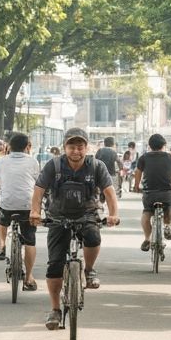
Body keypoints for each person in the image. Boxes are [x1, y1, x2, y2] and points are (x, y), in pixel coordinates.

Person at [30, 127, 120, 329]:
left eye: (80, 147)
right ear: (65, 147)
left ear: (87, 148)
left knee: (93, 237)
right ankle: (54, 309)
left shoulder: (97, 166)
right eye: (72, 147)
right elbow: (39, 190)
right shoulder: (54, 165)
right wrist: (35, 212)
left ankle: (88, 270)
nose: (76, 151)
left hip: (87, 213)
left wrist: (113, 214)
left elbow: (109, 192)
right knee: (54, 264)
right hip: (57, 216)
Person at [0, 132, 40, 289]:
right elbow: (38, 183)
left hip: (7, 205)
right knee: (30, 239)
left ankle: (2, 246)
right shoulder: (33, 162)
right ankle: (29, 277)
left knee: (1, 218)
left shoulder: (1, 161)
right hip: (27, 205)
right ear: (27, 147)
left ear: (9, 146)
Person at [133, 133, 171, 252]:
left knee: (147, 212)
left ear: (149, 146)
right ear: (164, 145)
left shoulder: (144, 158)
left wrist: (136, 186)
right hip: (166, 193)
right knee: (170, 208)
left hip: (149, 193)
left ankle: (147, 239)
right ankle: (166, 226)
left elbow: (138, 172)